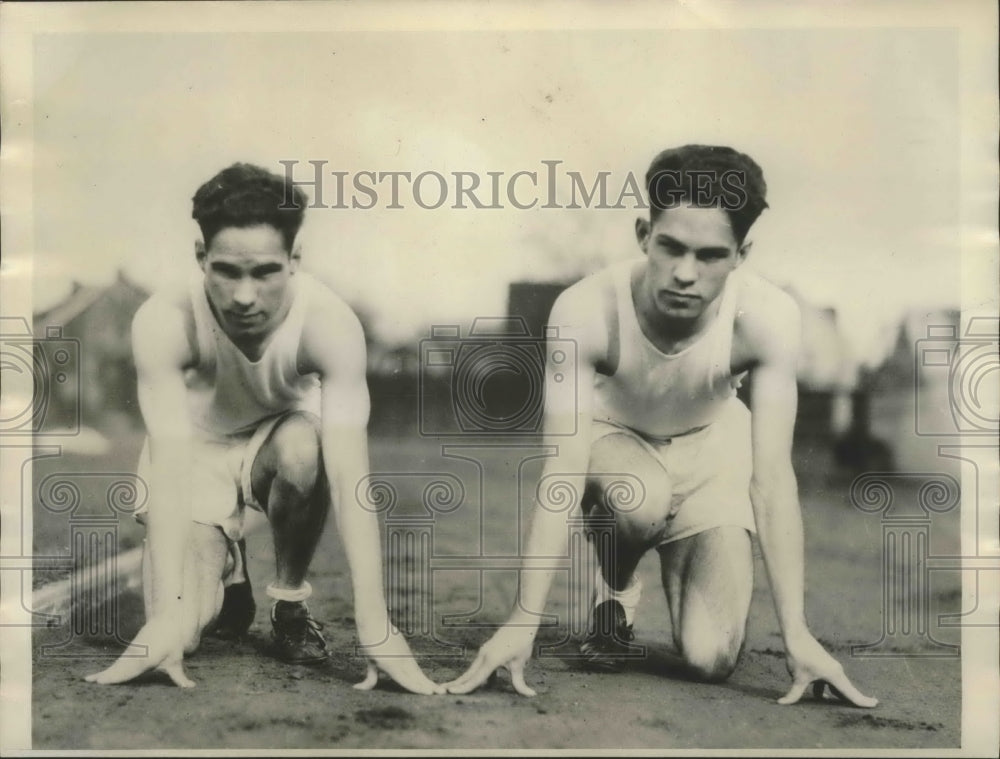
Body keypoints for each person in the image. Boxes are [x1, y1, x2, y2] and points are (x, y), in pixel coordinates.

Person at [446, 145, 878, 707]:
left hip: (711, 453)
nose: (684, 273)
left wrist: (797, 634)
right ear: (643, 232)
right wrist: (524, 622)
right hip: (613, 442)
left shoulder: (769, 318)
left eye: (710, 255)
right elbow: (564, 469)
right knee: (638, 497)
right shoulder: (585, 309)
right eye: (671, 246)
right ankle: (616, 594)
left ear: (742, 253)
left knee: (711, 659)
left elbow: (771, 481)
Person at [85, 163, 442, 694]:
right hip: (196, 453)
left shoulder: (330, 324)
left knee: (305, 447)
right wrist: (165, 618)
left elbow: (350, 482)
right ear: (200, 257)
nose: (245, 296)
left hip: (281, 442)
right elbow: (170, 461)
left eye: (266, 272)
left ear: (295, 259)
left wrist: (376, 625)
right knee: (180, 632)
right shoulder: (163, 321)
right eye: (227, 270)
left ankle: (290, 603)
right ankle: (228, 573)